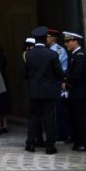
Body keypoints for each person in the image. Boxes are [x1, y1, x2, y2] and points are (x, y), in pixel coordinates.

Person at [24, 26, 64, 154]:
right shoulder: (52, 54)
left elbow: (24, 74)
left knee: (33, 117)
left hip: (34, 91)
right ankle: (50, 146)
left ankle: (30, 143)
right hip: (48, 91)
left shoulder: (28, 54)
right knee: (50, 118)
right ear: (45, 38)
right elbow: (59, 74)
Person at [63, 31, 86, 151]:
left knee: (80, 118)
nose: (66, 44)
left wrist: (66, 84)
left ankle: (82, 142)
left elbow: (77, 74)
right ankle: (78, 141)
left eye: (68, 41)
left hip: (80, 93)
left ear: (76, 42)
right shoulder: (74, 55)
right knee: (75, 118)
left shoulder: (80, 56)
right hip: (75, 93)